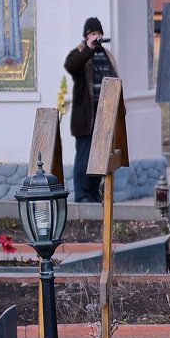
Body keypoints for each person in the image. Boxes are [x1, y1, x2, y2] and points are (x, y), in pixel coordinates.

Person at [63, 17, 118, 203]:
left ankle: (94, 193)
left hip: (104, 116)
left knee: (99, 157)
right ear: (87, 36)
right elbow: (71, 66)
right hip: (86, 117)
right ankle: (82, 195)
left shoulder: (107, 55)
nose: (97, 37)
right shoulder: (79, 53)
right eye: (94, 33)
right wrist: (88, 48)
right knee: (84, 156)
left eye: (99, 33)